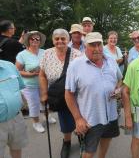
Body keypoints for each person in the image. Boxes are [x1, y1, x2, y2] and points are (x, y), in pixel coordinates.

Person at [65, 32, 122, 158]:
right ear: (85, 46)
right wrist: (78, 119)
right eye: (92, 45)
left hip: (111, 115)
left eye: (99, 44)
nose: (97, 49)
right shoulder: (75, 65)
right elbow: (68, 94)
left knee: (107, 139)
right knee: (88, 153)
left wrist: (118, 89)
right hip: (90, 119)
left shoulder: (111, 61)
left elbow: (119, 79)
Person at [39, 29, 81, 158]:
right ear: (53, 40)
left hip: (77, 95)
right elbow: (42, 75)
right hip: (58, 95)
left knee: (80, 118)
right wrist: (44, 94)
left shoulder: (77, 54)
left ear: (68, 40)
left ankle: (81, 136)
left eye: (63, 38)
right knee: (65, 121)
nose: (60, 41)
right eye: (57, 38)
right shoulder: (47, 54)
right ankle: (67, 141)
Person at [15, 31, 48, 133]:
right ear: (28, 41)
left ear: (40, 41)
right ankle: (36, 123)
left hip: (43, 83)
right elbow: (17, 71)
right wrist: (31, 74)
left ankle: (47, 117)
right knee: (34, 104)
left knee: (45, 101)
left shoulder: (44, 52)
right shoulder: (22, 54)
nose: (34, 40)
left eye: (37, 39)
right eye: (32, 39)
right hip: (29, 85)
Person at [0, 60, 28, 158]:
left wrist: (25, 104)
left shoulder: (10, 66)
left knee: (17, 147)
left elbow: (19, 88)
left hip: (16, 117)